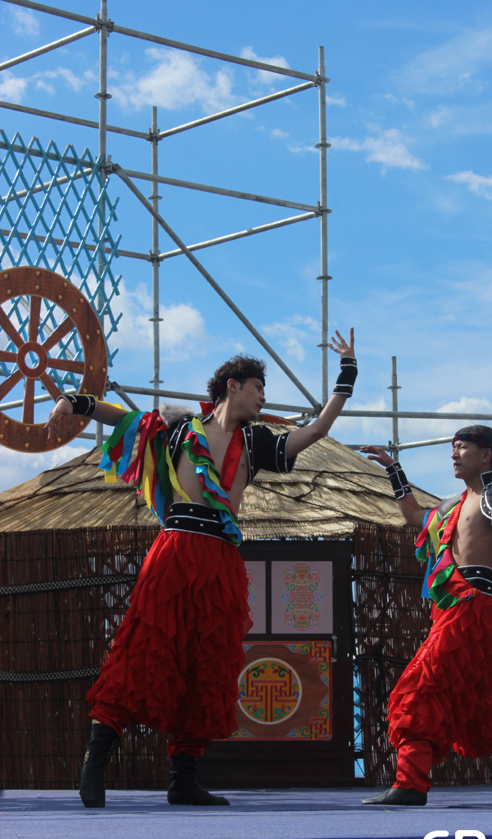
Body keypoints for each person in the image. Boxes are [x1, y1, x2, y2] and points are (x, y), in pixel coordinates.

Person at [45, 330, 356, 809]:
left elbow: (314, 432)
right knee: (144, 649)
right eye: (258, 388)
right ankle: (96, 759)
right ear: (232, 386)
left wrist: (346, 376)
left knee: (208, 664)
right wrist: (74, 402)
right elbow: (123, 418)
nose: (262, 397)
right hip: (175, 550)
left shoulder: (255, 442)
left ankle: (183, 778)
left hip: (220, 561)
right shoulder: (181, 430)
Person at [360, 425, 492, 806]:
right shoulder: (451, 505)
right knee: (468, 708)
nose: (454, 454)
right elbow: (414, 516)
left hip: (473, 608)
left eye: (462, 447)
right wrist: (393, 470)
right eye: (452, 448)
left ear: (485, 454)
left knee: (416, 692)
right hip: (453, 611)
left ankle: (410, 784)